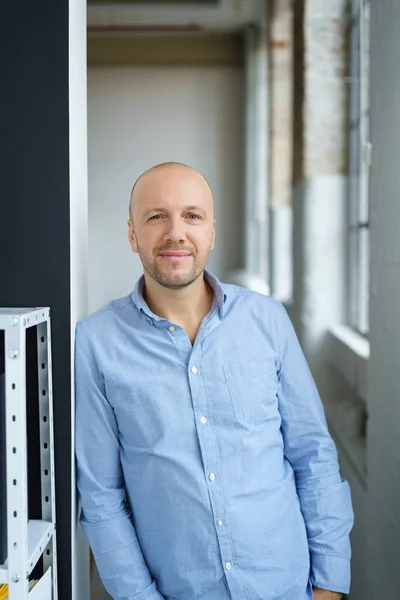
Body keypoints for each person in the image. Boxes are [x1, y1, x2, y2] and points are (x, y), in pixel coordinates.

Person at [75, 162, 354, 600]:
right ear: (132, 235)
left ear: (211, 231)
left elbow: (313, 456)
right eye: (156, 216)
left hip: (287, 587)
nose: (175, 233)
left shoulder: (268, 321)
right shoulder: (96, 342)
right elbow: (101, 495)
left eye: (192, 215)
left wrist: (329, 585)